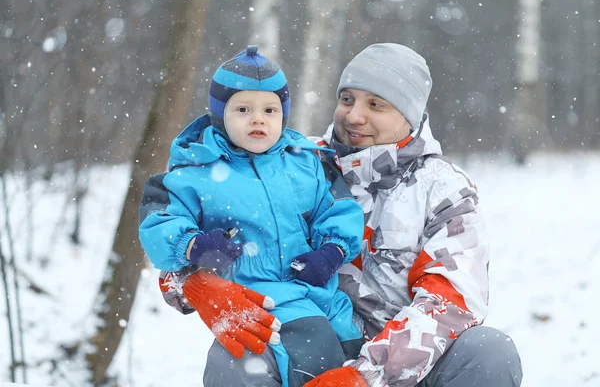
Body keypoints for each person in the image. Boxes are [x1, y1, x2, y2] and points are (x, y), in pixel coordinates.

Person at [138, 46, 365, 387]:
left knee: (332, 365)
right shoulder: (194, 170)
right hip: (246, 301)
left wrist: (331, 251)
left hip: (314, 297)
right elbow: (159, 221)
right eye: (243, 108)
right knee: (243, 366)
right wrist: (194, 245)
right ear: (220, 114)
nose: (258, 119)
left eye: (270, 110)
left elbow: (338, 209)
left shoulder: (308, 163)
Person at [302, 44, 523, 386]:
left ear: (410, 116)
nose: (354, 116)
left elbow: (451, 300)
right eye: (347, 99)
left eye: (375, 104)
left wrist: (365, 376)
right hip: (312, 350)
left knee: (488, 351)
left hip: (406, 368)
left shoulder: (444, 189)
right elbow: (221, 223)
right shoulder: (298, 168)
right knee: (239, 353)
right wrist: (197, 280)